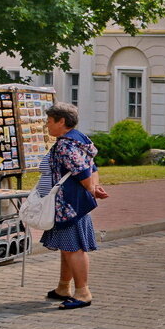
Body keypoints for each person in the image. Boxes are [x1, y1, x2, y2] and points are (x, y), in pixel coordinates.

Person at [38, 103, 110, 309]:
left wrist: (91, 187)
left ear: (62, 121)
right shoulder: (79, 139)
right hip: (73, 203)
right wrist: (94, 188)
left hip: (68, 205)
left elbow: (82, 172)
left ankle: (82, 292)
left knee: (74, 249)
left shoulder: (65, 146)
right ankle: (63, 287)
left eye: (49, 121)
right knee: (67, 247)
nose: (47, 125)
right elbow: (92, 167)